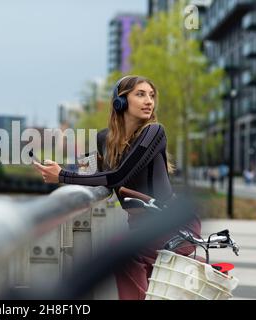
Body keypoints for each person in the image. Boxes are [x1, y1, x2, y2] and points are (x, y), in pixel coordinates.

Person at [33, 75, 201, 300]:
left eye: (151, 96)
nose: (149, 101)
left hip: (169, 224)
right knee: (154, 289)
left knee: (122, 252)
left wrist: (62, 176)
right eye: (140, 94)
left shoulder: (154, 132)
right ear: (120, 102)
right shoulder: (103, 138)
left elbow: (118, 175)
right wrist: (58, 168)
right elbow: (89, 172)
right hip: (140, 226)